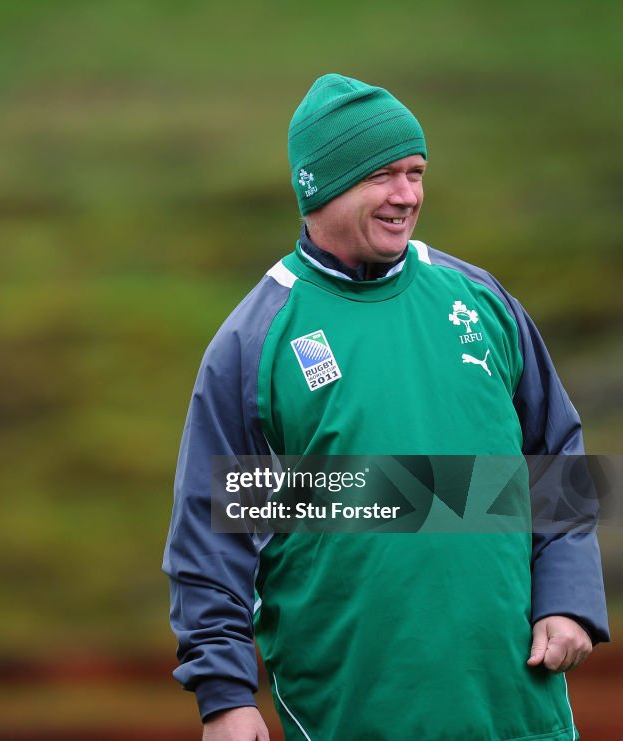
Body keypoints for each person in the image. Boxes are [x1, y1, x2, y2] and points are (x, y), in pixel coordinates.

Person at [164, 73, 609, 740]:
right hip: (354, 712)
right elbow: (210, 539)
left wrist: (569, 599)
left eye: (416, 172)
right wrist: (225, 695)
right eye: (383, 176)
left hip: (517, 705)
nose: (408, 195)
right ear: (324, 184)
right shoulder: (257, 343)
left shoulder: (478, 302)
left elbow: (557, 458)